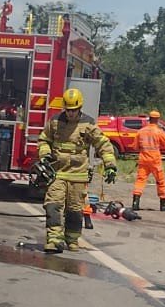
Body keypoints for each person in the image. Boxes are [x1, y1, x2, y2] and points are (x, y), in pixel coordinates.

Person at [36, 87, 117, 253]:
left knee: (74, 210)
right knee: (53, 205)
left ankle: (72, 239)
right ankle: (54, 239)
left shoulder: (88, 123)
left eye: (74, 110)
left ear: (79, 108)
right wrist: (45, 155)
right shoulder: (55, 122)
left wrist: (110, 165)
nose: (70, 113)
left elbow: (103, 144)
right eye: (68, 110)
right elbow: (43, 140)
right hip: (57, 173)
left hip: (78, 176)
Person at [132, 109, 165, 212]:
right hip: (155, 161)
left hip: (143, 160)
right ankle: (164, 204)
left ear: (149, 119)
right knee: (160, 181)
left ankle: (135, 202)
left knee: (140, 181)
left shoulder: (141, 131)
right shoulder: (159, 132)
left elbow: (135, 147)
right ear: (157, 120)